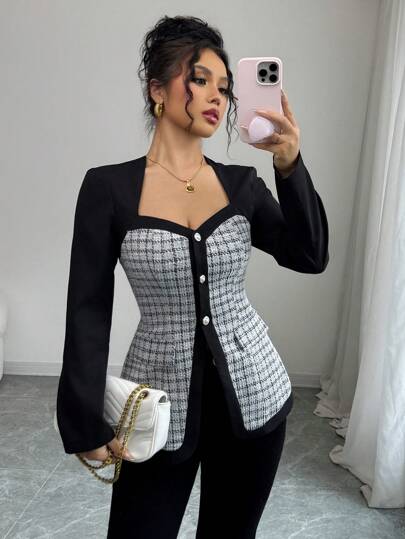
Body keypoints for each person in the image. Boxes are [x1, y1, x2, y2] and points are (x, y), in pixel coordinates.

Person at [55, 15, 329, 539]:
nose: (216, 96)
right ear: (157, 89)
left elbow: (310, 255)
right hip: (158, 411)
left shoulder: (242, 185)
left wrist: (290, 166)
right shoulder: (108, 189)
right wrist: (83, 418)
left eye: (224, 87)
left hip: (256, 398)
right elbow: (87, 306)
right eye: (199, 79)